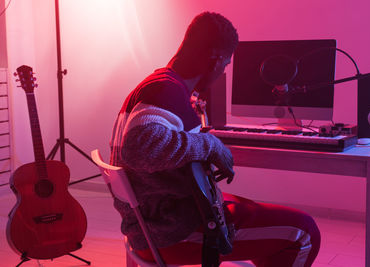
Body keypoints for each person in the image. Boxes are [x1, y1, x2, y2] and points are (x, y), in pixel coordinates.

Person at [110, 11, 321, 266]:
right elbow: (140, 147)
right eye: (225, 65)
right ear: (216, 58)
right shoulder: (165, 90)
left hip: (153, 224)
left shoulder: (159, 84)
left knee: (255, 209)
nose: (222, 73)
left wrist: (202, 143)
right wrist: (210, 145)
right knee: (304, 232)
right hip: (173, 233)